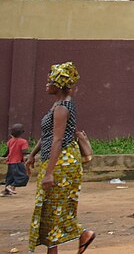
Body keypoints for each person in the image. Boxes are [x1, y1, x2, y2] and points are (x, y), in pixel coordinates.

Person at [24, 62, 95, 253]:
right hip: (58, 160)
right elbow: (48, 135)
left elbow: (57, 139)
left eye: (49, 82)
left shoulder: (63, 108)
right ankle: (62, 245)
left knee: (53, 208)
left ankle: (83, 234)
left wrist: (48, 173)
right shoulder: (59, 105)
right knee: (50, 209)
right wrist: (32, 155)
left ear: (59, 84)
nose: (46, 85)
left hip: (61, 162)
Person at [3, 123, 29, 196]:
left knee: (10, 177)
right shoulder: (23, 141)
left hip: (11, 162)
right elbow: (24, 152)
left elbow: (7, 152)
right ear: (22, 132)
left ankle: (6, 191)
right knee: (23, 177)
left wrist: (3, 156)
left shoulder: (10, 141)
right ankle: (10, 187)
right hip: (18, 162)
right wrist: (30, 155)